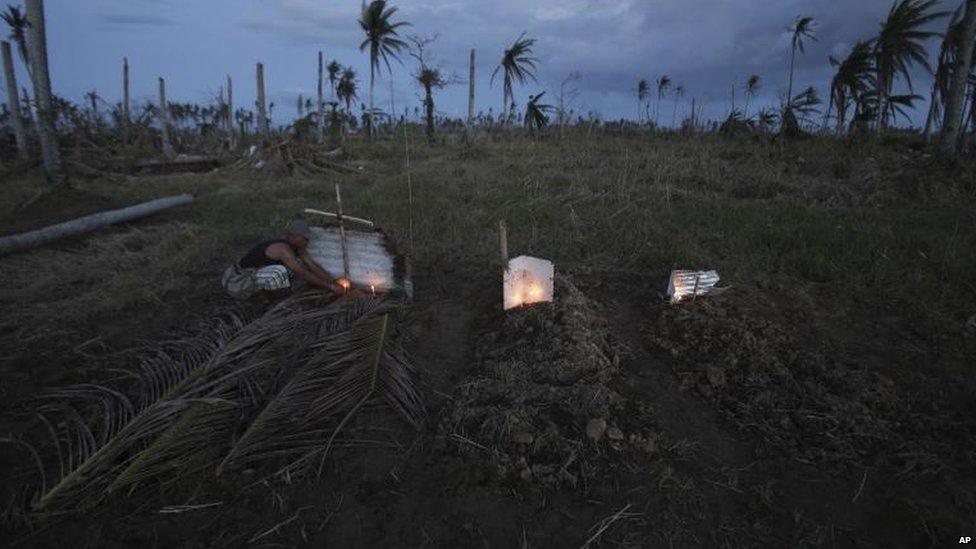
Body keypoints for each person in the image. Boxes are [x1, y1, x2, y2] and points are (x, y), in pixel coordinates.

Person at [222, 219, 344, 299]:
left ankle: (268, 292)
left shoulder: (298, 247)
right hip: (237, 282)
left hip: (255, 276)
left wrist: (333, 281)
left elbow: (312, 265)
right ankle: (267, 299)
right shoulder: (282, 249)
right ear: (293, 237)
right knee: (280, 272)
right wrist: (331, 287)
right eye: (305, 238)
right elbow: (302, 273)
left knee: (299, 264)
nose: (308, 241)